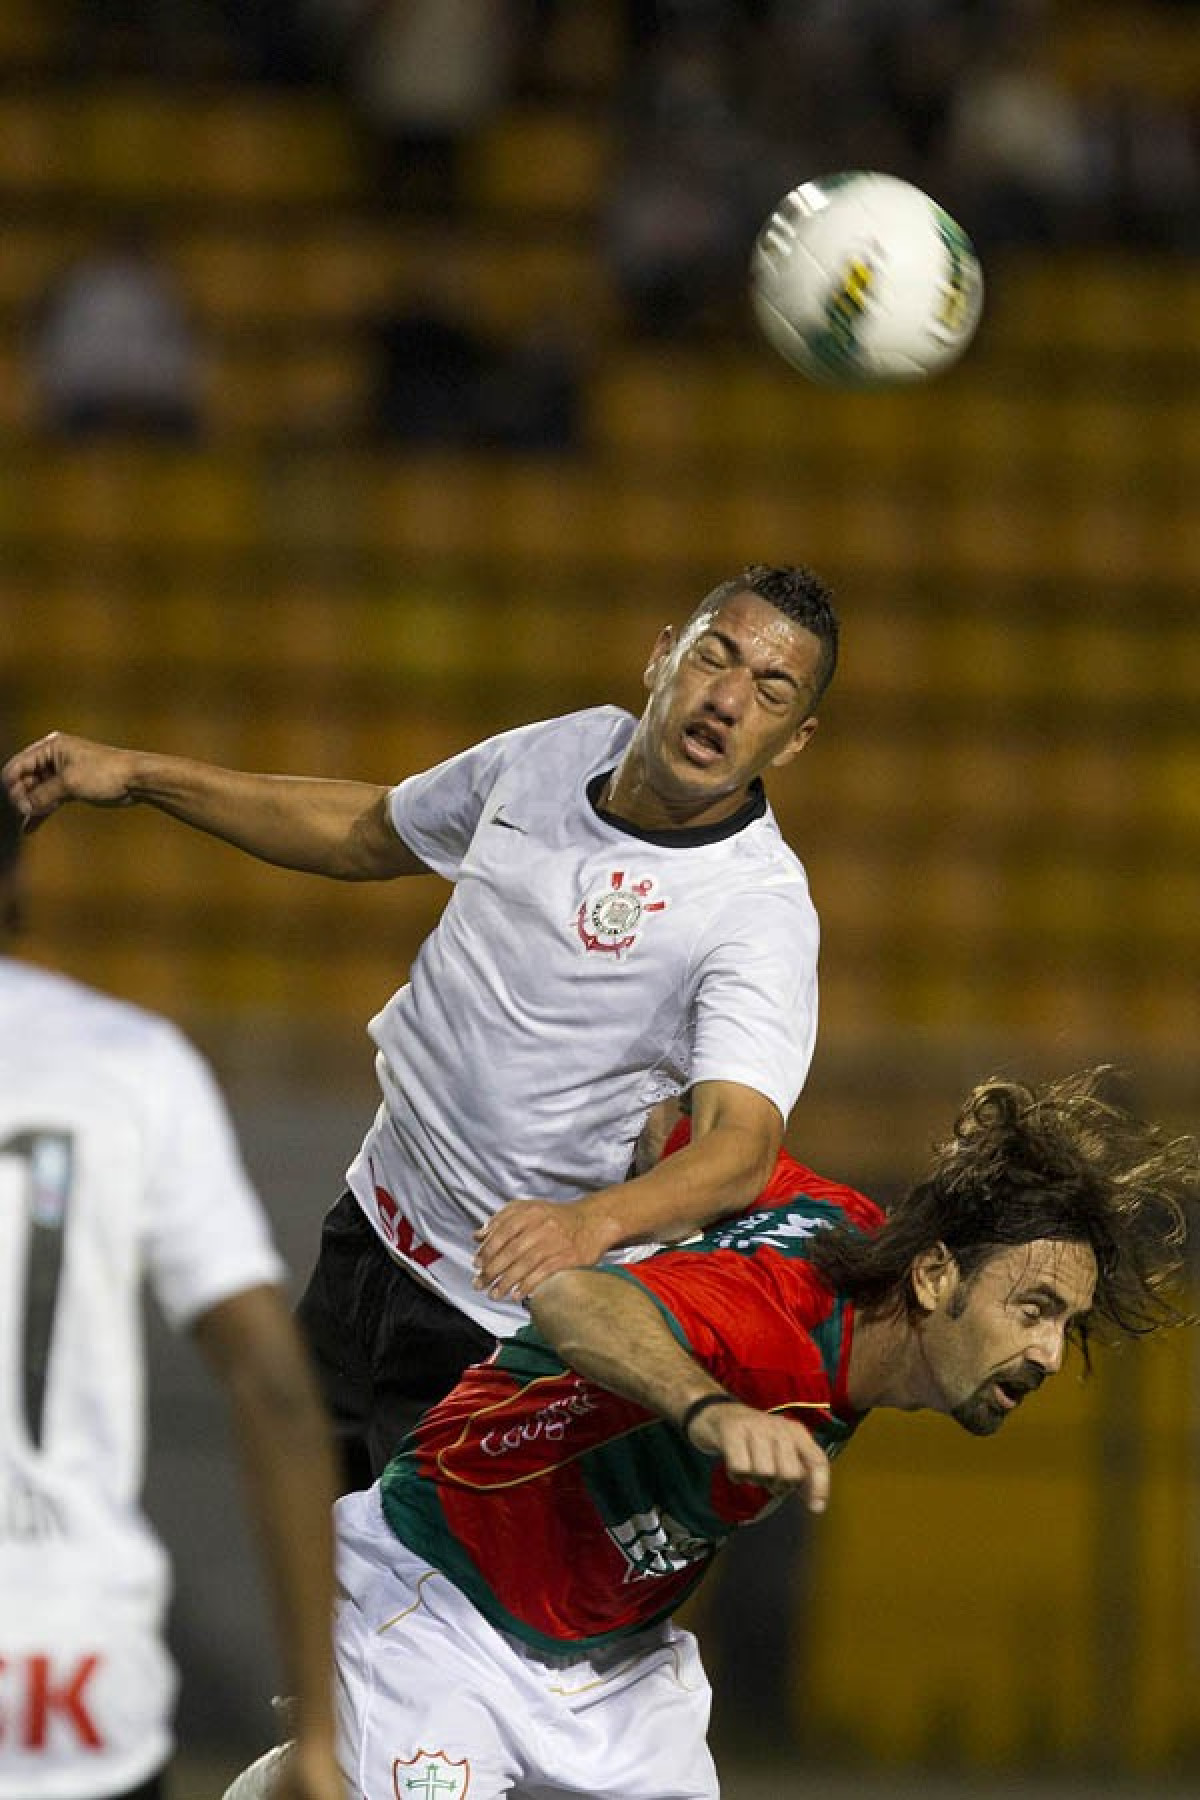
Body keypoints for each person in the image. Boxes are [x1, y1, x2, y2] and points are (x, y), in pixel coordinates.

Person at [2, 563, 839, 1488]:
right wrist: (136, 774)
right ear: (660, 658)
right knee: (286, 1551)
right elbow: (367, 829)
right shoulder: (561, 752)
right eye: (713, 658)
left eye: (768, 691)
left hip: (497, 1329)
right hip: (367, 1232)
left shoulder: (756, 909)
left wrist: (588, 1223)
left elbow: (740, 1148)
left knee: (407, 1614)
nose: (725, 700)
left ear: (793, 740)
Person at [226, 1066, 1199, 1800]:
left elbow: (676, 1133)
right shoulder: (773, 1318)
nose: (1046, 1348)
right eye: (1032, 1306)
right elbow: (573, 1301)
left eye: (1064, 1324)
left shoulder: (835, 1221)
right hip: (446, 1604)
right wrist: (708, 1407)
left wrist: (650, 1125)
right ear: (937, 1275)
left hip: (615, 1663)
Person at [0, 787, 342, 1800]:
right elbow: (274, 1390)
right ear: (17, 880)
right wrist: (318, 1732)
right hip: (65, 1682)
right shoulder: (127, 1064)